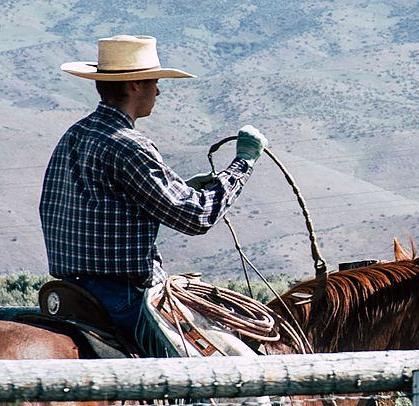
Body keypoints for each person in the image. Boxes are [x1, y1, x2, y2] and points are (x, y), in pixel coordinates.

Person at [39, 34, 268, 347]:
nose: (158, 90)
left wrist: (183, 188)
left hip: (73, 291)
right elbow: (196, 217)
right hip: (124, 296)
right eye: (154, 81)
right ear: (135, 85)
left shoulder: (75, 135)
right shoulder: (129, 145)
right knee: (217, 374)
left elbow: (102, 202)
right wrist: (242, 164)